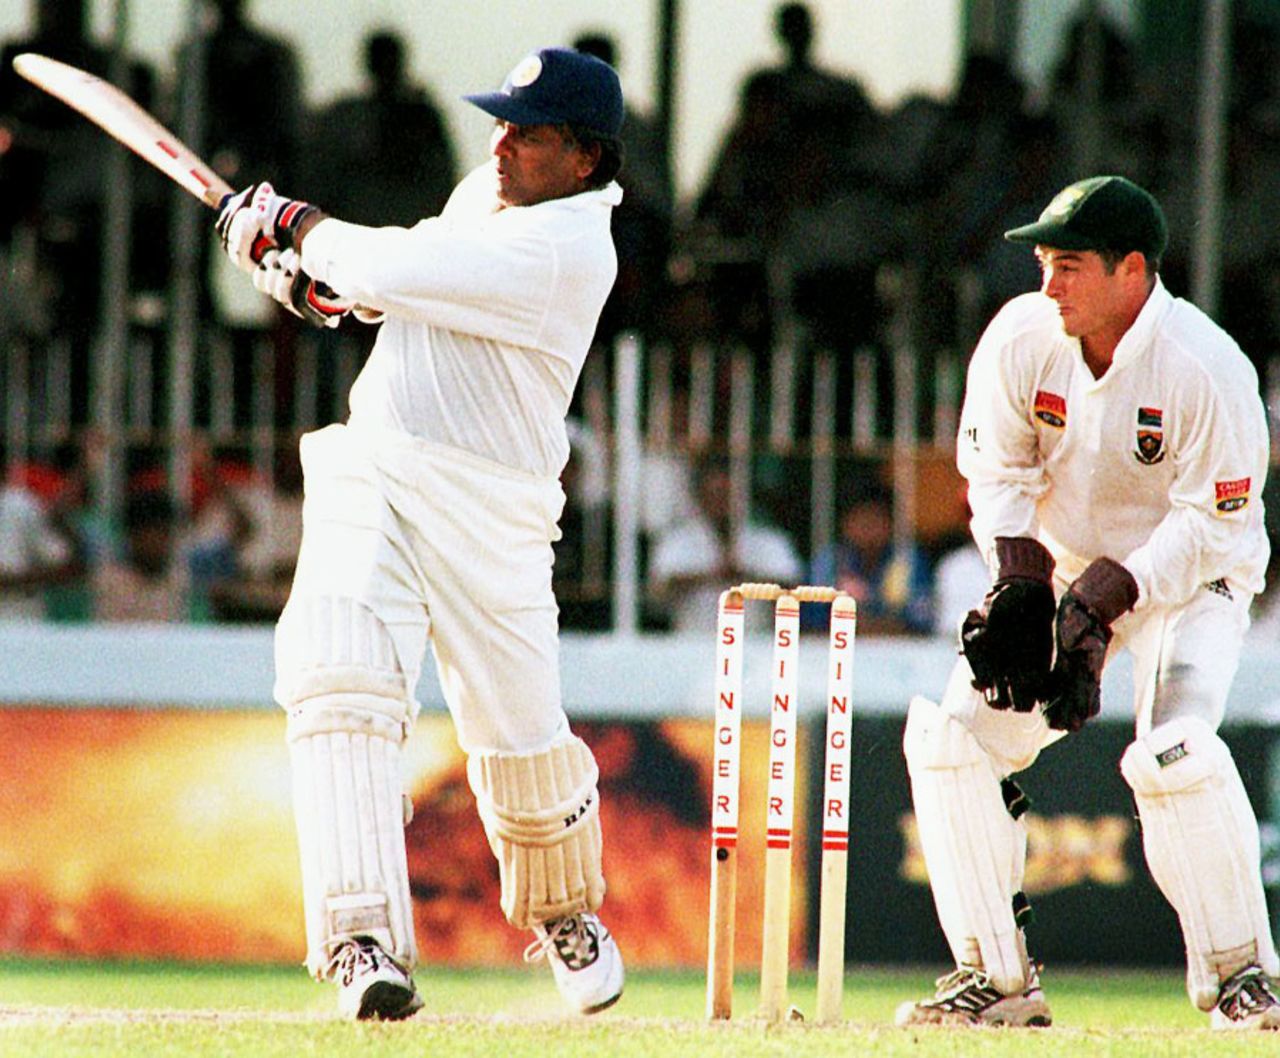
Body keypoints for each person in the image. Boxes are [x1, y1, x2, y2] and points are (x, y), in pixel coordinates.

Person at [212, 47, 627, 1021]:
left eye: (529, 133)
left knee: (520, 740)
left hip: (496, 513)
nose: (503, 143)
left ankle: (564, 910)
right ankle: (360, 939)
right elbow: (400, 282)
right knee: (338, 676)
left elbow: (396, 263)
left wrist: (296, 228)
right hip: (381, 465)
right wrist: (321, 287)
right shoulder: (486, 193)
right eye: (502, 122)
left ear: (582, 157)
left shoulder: (570, 247)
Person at [895, 176, 1278, 1031]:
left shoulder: (1207, 367)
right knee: (950, 738)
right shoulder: (1023, 337)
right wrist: (1024, 578)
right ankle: (996, 981)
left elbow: (1211, 525)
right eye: (1043, 264)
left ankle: (1247, 978)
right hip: (1067, 568)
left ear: (1132, 270)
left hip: (1195, 581)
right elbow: (996, 473)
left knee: (1173, 753)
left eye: (1068, 266)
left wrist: (1105, 603)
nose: (1048, 286)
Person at [648, 456, 803, 634]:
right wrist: (709, 577)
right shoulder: (677, 542)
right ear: (700, 498)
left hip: (757, 645)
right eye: (714, 495)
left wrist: (746, 578)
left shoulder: (769, 541)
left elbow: (793, 591)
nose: (721, 503)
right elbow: (658, 592)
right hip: (692, 646)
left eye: (726, 495)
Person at [807, 476, 933, 636]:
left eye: (876, 520)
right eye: (861, 520)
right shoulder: (829, 561)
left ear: (891, 524)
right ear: (845, 524)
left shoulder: (907, 560)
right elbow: (810, 620)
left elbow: (920, 623)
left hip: (895, 651)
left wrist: (867, 621)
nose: (868, 530)